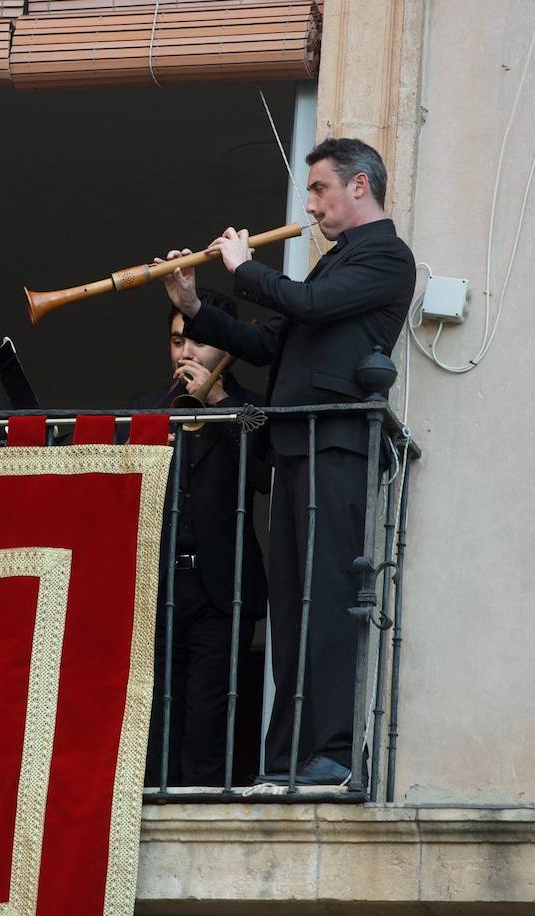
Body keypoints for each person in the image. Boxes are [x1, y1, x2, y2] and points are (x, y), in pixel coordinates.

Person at [160, 138, 415, 786]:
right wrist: (193, 306)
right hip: (299, 450)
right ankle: (287, 757)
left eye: (320, 189)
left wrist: (245, 268)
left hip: (336, 448)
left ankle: (332, 751)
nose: (311, 205)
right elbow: (263, 340)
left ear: (359, 186)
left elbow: (307, 307)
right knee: (293, 612)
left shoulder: (385, 256)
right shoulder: (332, 269)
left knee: (327, 601)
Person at [135, 290, 269, 788]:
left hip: (222, 588)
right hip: (158, 583)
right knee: (155, 710)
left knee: (209, 715)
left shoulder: (252, 408)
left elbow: (266, 472)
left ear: (224, 345)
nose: (185, 352)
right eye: (177, 341)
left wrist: (215, 401)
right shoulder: (145, 407)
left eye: (198, 340)